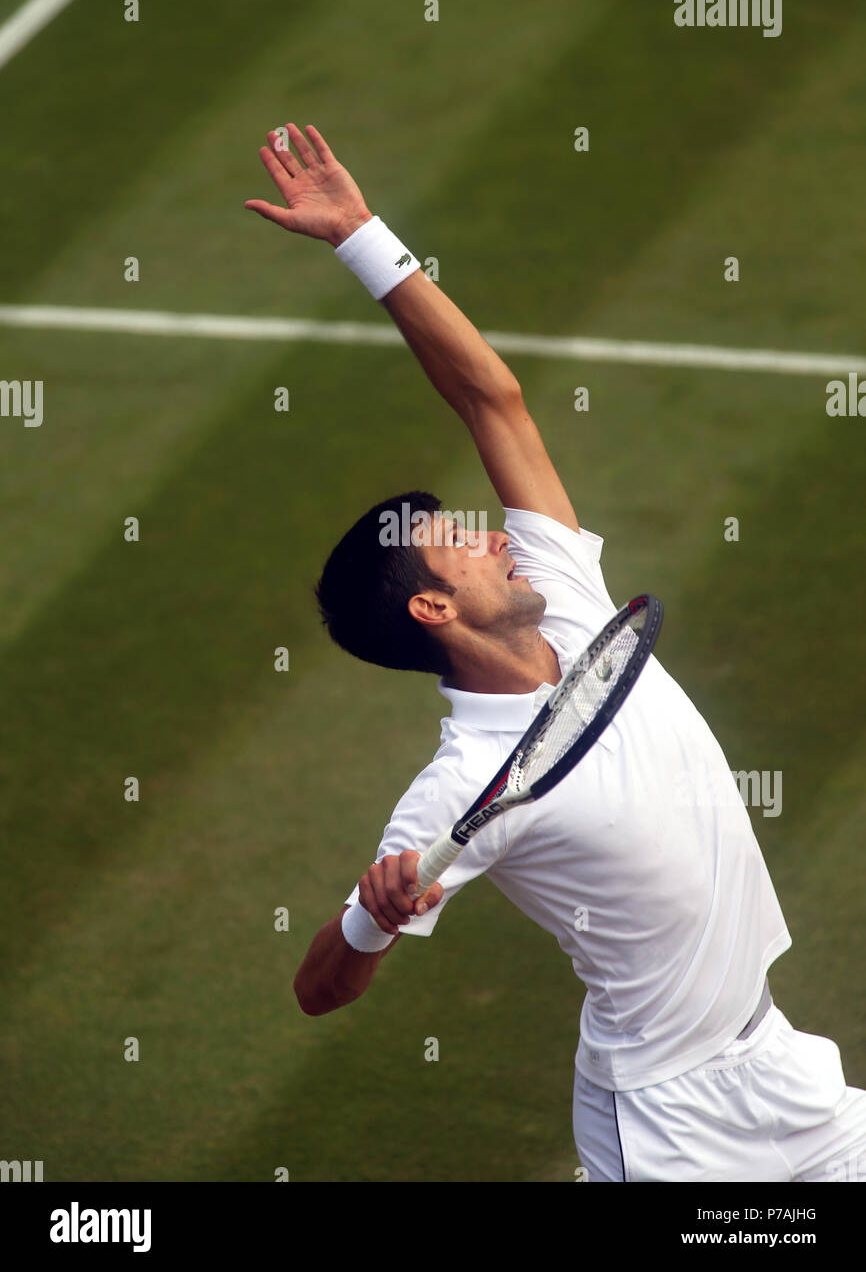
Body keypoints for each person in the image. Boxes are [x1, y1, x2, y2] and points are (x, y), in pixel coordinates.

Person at [245, 122, 866, 1182]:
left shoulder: (566, 596)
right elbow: (318, 991)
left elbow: (490, 396)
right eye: (464, 545)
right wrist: (369, 915)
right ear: (435, 610)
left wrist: (362, 239)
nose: (495, 530)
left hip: (779, 1066)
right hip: (668, 1130)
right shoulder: (455, 790)